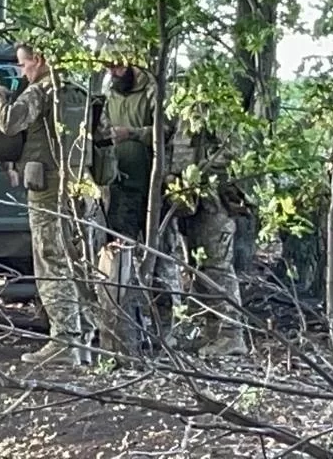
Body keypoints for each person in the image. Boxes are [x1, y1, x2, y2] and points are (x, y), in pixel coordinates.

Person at [0, 43, 98, 365]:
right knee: (80, 263)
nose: (22, 72)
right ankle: (87, 339)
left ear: (38, 60)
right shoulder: (79, 92)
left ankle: (64, 341)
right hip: (82, 187)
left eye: (24, 65)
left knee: (51, 262)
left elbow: (9, 122)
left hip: (50, 188)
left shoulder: (41, 91)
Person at [165, 109, 247, 357]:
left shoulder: (219, 113)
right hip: (189, 204)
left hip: (214, 204)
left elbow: (233, 154)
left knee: (217, 268)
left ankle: (232, 335)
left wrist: (199, 173)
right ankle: (211, 332)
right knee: (198, 268)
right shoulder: (180, 112)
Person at [102, 60, 157, 241]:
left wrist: (132, 133)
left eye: (118, 67)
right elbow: (101, 127)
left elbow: (165, 132)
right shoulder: (109, 91)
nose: (114, 72)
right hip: (113, 177)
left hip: (144, 179)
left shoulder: (151, 89)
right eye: (109, 68)